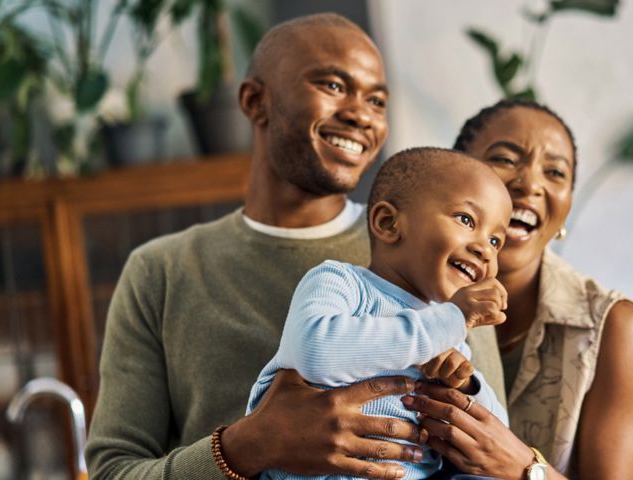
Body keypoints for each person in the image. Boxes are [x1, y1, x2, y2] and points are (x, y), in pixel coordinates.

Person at [85, 15, 505, 480]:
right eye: (332, 85)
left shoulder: (438, 261)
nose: (361, 114)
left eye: (377, 100)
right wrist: (248, 447)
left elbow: (488, 450)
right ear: (254, 101)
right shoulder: (159, 271)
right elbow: (112, 472)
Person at [403, 99, 633, 479]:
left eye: (555, 172)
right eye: (506, 159)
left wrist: (523, 468)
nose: (530, 184)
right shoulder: (408, 302)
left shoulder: (612, 327)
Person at [247, 148, 512, 479]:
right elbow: (315, 353)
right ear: (388, 223)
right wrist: (454, 319)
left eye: (496, 241)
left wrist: (468, 386)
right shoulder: (341, 283)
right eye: (466, 220)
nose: (484, 249)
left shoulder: (449, 336)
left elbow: (493, 442)